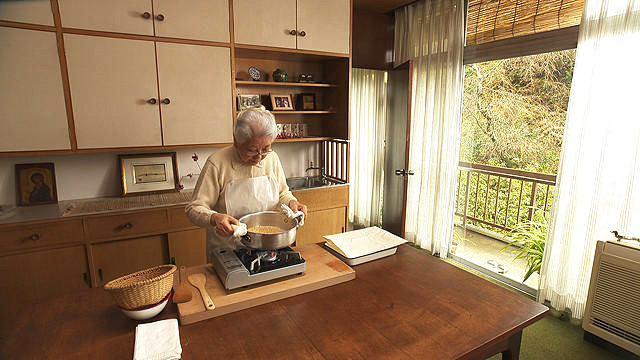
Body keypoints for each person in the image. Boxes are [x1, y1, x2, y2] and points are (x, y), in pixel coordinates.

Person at [186, 107, 308, 255]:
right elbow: (194, 208)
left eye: (265, 149)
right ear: (236, 141)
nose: (259, 157)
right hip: (228, 249)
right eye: (251, 150)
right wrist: (214, 218)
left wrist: (292, 202)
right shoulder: (217, 163)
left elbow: (282, 193)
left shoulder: (272, 159)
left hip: (266, 247)